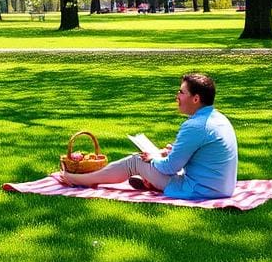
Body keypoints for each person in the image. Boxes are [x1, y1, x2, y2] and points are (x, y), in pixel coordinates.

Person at [57, 73, 238, 199]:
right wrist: (170, 152)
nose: (177, 96)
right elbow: (202, 154)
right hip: (221, 187)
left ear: (196, 99)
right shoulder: (217, 118)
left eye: (181, 92)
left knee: (136, 161)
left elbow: (169, 168)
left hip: (201, 190)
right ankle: (150, 182)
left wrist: (154, 158)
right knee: (160, 158)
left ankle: (78, 180)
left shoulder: (194, 126)